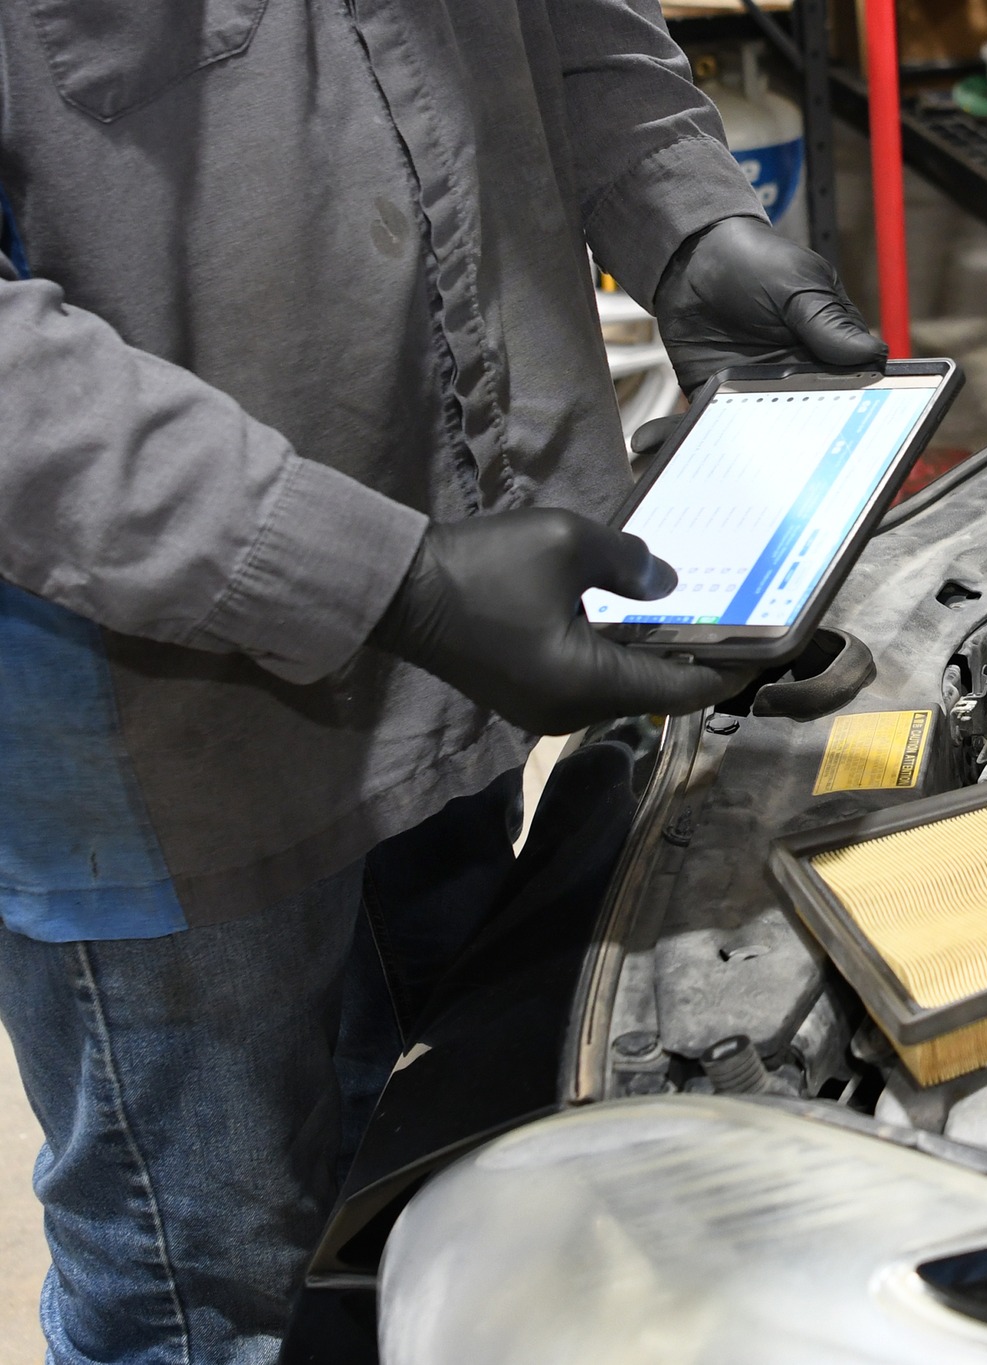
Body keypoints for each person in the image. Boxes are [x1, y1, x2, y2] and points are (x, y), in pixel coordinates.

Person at [0, 3, 885, 1361]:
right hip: (162, 745)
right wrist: (385, 578)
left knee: (447, 1173)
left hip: (464, 624)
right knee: (209, 1291)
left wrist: (683, 218)